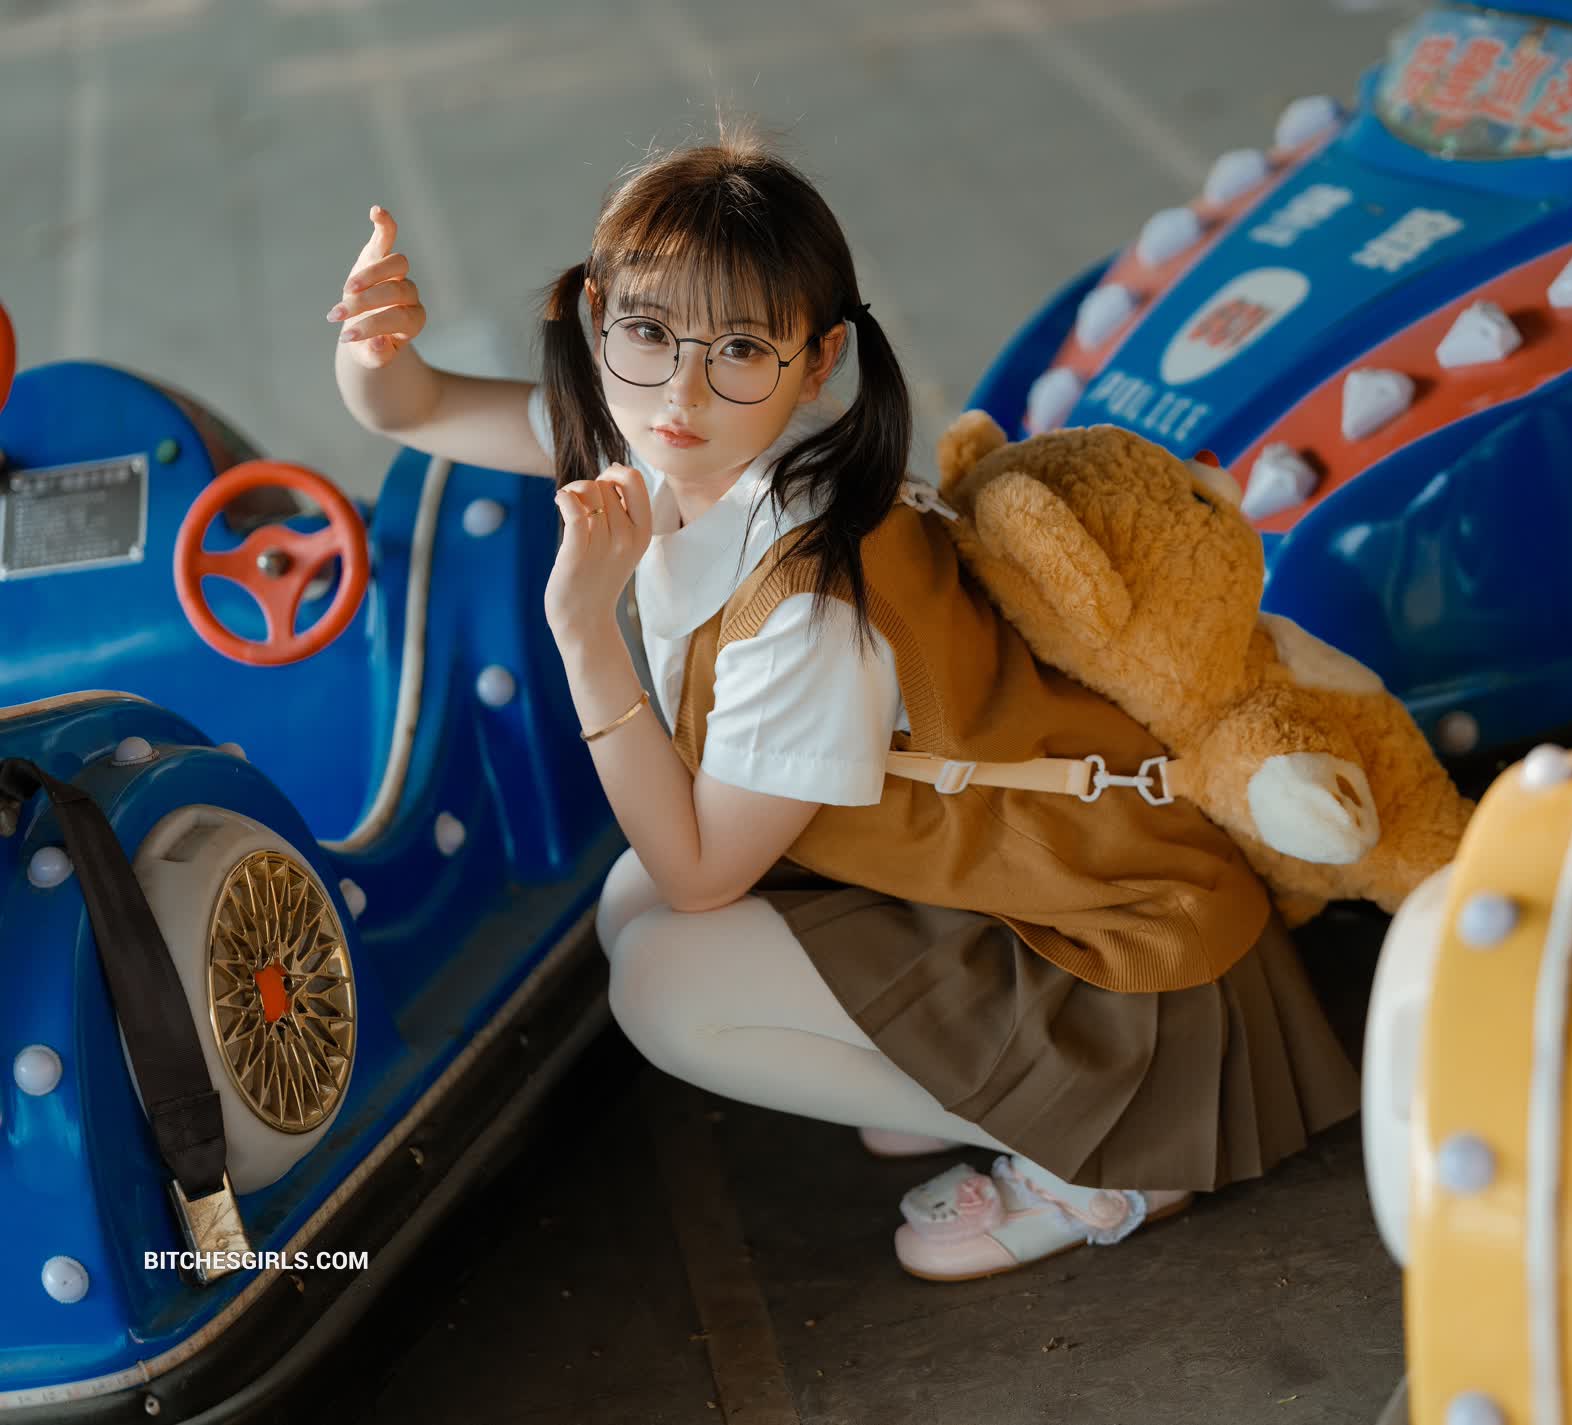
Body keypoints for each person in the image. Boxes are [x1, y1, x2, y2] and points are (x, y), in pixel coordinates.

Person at [328, 126, 1358, 1281]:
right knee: (630, 907)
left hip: (1122, 952)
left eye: (739, 348)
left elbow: (702, 874)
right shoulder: (682, 437)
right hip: (1001, 875)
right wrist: (374, 343)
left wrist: (583, 631)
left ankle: (1098, 1151)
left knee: (667, 983)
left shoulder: (809, 590)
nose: (681, 389)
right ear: (597, 316)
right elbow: (414, 407)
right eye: (649, 333)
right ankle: (966, 1077)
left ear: (818, 361)